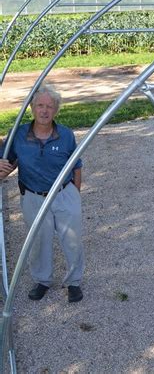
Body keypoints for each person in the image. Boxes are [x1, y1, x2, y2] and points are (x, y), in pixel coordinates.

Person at [0, 84, 84, 303]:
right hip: (33, 196)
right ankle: (42, 281)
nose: (45, 111)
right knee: (38, 241)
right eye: (40, 106)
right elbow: (6, 162)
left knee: (72, 241)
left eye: (50, 106)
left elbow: (76, 165)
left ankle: (74, 282)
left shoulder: (65, 134)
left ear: (56, 110)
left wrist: (75, 193)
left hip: (64, 194)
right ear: (32, 109)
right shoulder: (18, 134)